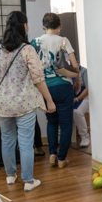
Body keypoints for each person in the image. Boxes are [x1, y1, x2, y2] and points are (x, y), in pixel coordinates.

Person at [0, 11, 56, 192]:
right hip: (25, 103)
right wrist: (49, 101)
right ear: (24, 26)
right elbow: (38, 78)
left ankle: (10, 175)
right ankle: (28, 181)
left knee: (7, 140)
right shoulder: (27, 49)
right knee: (25, 142)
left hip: (3, 104)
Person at [31, 13, 80, 169]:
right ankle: (61, 158)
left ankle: (52, 154)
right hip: (64, 86)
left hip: (45, 88)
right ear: (59, 26)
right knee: (66, 124)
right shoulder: (63, 41)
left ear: (44, 27)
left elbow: (32, 67)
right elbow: (74, 65)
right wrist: (77, 80)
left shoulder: (35, 42)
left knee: (51, 122)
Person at [73, 66, 90, 148]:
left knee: (77, 112)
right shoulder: (66, 72)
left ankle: (84, 137)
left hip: (84, 97)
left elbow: (88, 88)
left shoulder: (84, 71)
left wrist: (76, 99)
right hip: (72, 96)